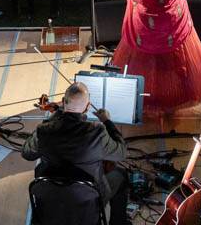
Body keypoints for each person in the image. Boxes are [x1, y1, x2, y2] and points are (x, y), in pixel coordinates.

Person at [20, 81, 129, 225]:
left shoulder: (44, 130)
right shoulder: (97, 132)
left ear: (64, 102)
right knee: (121, 175)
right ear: (88, 107)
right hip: (87, 200)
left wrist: (55, 115)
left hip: (50, 197)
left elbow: (27, 153)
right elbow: (121, 152)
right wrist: (107, 121)